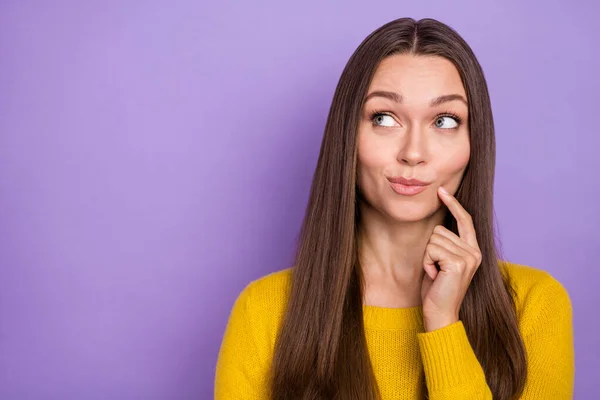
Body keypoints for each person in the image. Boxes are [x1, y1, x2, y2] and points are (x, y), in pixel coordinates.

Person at [214, 17, 574, 400]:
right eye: (384, 119)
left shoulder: (533, 306)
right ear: (347, 135)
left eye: (445, 121)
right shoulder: (265, 312)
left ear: (474, 143)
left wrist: (443, 326)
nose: (413, 153)